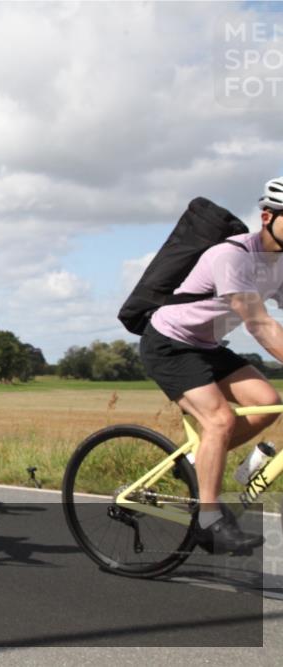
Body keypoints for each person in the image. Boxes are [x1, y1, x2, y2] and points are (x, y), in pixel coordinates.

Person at [140, 177, 283, 554]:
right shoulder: (232, 256)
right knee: (219, 420)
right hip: (169, 343)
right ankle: (208, 520)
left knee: (268, 400)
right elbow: (259, 324)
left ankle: (193, 461)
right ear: (267, 216)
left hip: (205, 345)